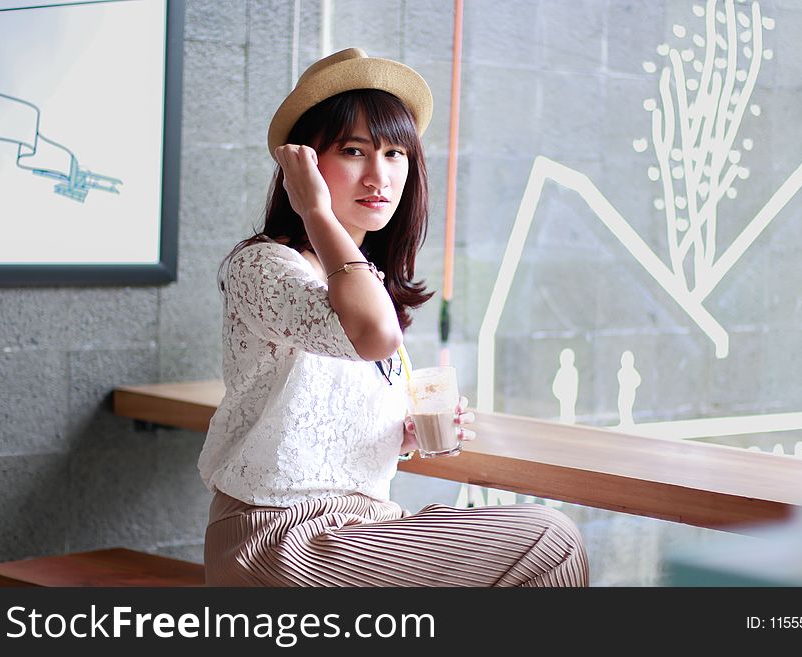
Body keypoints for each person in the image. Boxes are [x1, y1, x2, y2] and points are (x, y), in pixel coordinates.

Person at [197, 48, 589, 587]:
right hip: (277, 539)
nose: (378, 176)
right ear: (305, 165)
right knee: (548, 540)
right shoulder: (263, 266)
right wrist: (313, 210)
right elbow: (373, 335)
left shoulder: (367, 282)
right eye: (354, 151)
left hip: (359, 529)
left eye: (395, 153)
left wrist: (398, 435)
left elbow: (325, 402)